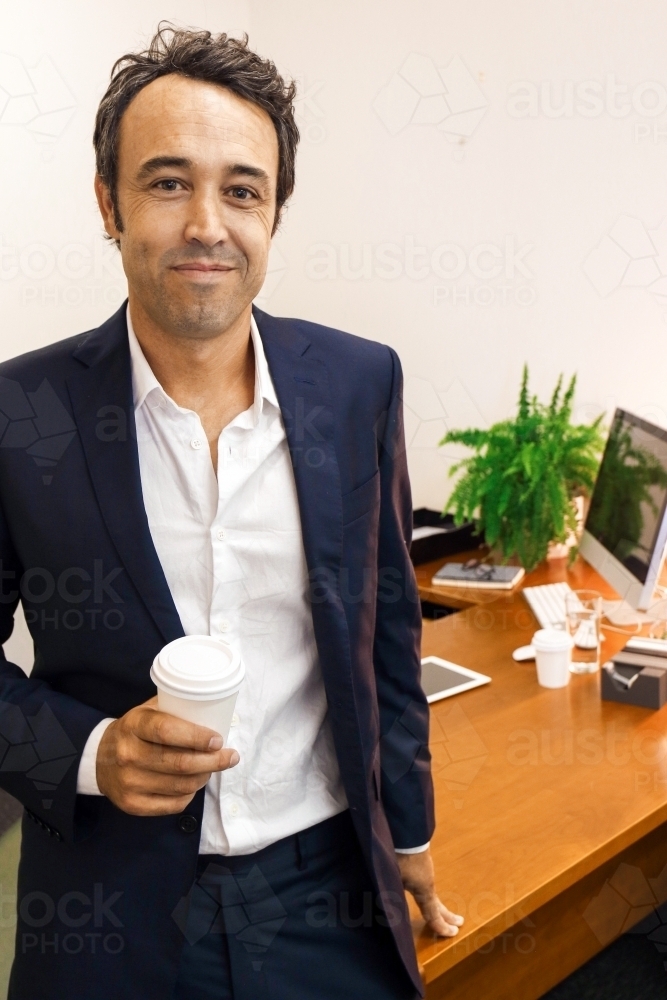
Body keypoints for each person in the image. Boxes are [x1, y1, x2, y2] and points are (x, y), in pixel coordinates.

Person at [0, 26, 463, 999]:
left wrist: (408, 833)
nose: (207, 222)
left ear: (273, 215)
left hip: (324, 889)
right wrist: (91, 752)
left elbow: (386, 629)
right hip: (104, 905)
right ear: (108, 205)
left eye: (241, 189)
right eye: (167, 183)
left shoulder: (355, 382)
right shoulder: (18, 416)